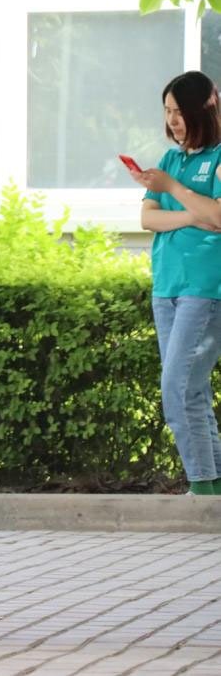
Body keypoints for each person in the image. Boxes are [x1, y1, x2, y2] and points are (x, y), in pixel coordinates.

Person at [132, 70, 221, 497]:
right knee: (192, 389)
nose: (172, 121)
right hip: (165, 287)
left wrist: (172, 189)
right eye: (167, 111)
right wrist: (194, 214)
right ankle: (213, 484)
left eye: (179, 112)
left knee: (178, 387)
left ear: (204, 110)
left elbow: (219, 217)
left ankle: (201, 488)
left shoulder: (218, 157)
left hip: (204, 288)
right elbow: (147, 219)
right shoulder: (170, 159)